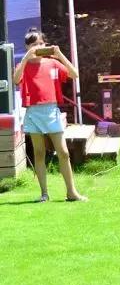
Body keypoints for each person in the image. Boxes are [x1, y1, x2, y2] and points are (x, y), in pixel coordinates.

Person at [12, 29, 87, 202]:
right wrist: (25, 58)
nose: (37, 47)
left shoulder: (52, 63)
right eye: (33, 44)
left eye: (40, 43)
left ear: (45, 44)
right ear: (27, 47)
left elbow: (74, 74)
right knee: (39, 153)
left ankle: (71, 192)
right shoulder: (24, 65)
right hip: (33, 112)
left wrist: (59, 55)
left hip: (51, 111)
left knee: (63, 152)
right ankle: (44, 193)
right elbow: (16, 80)